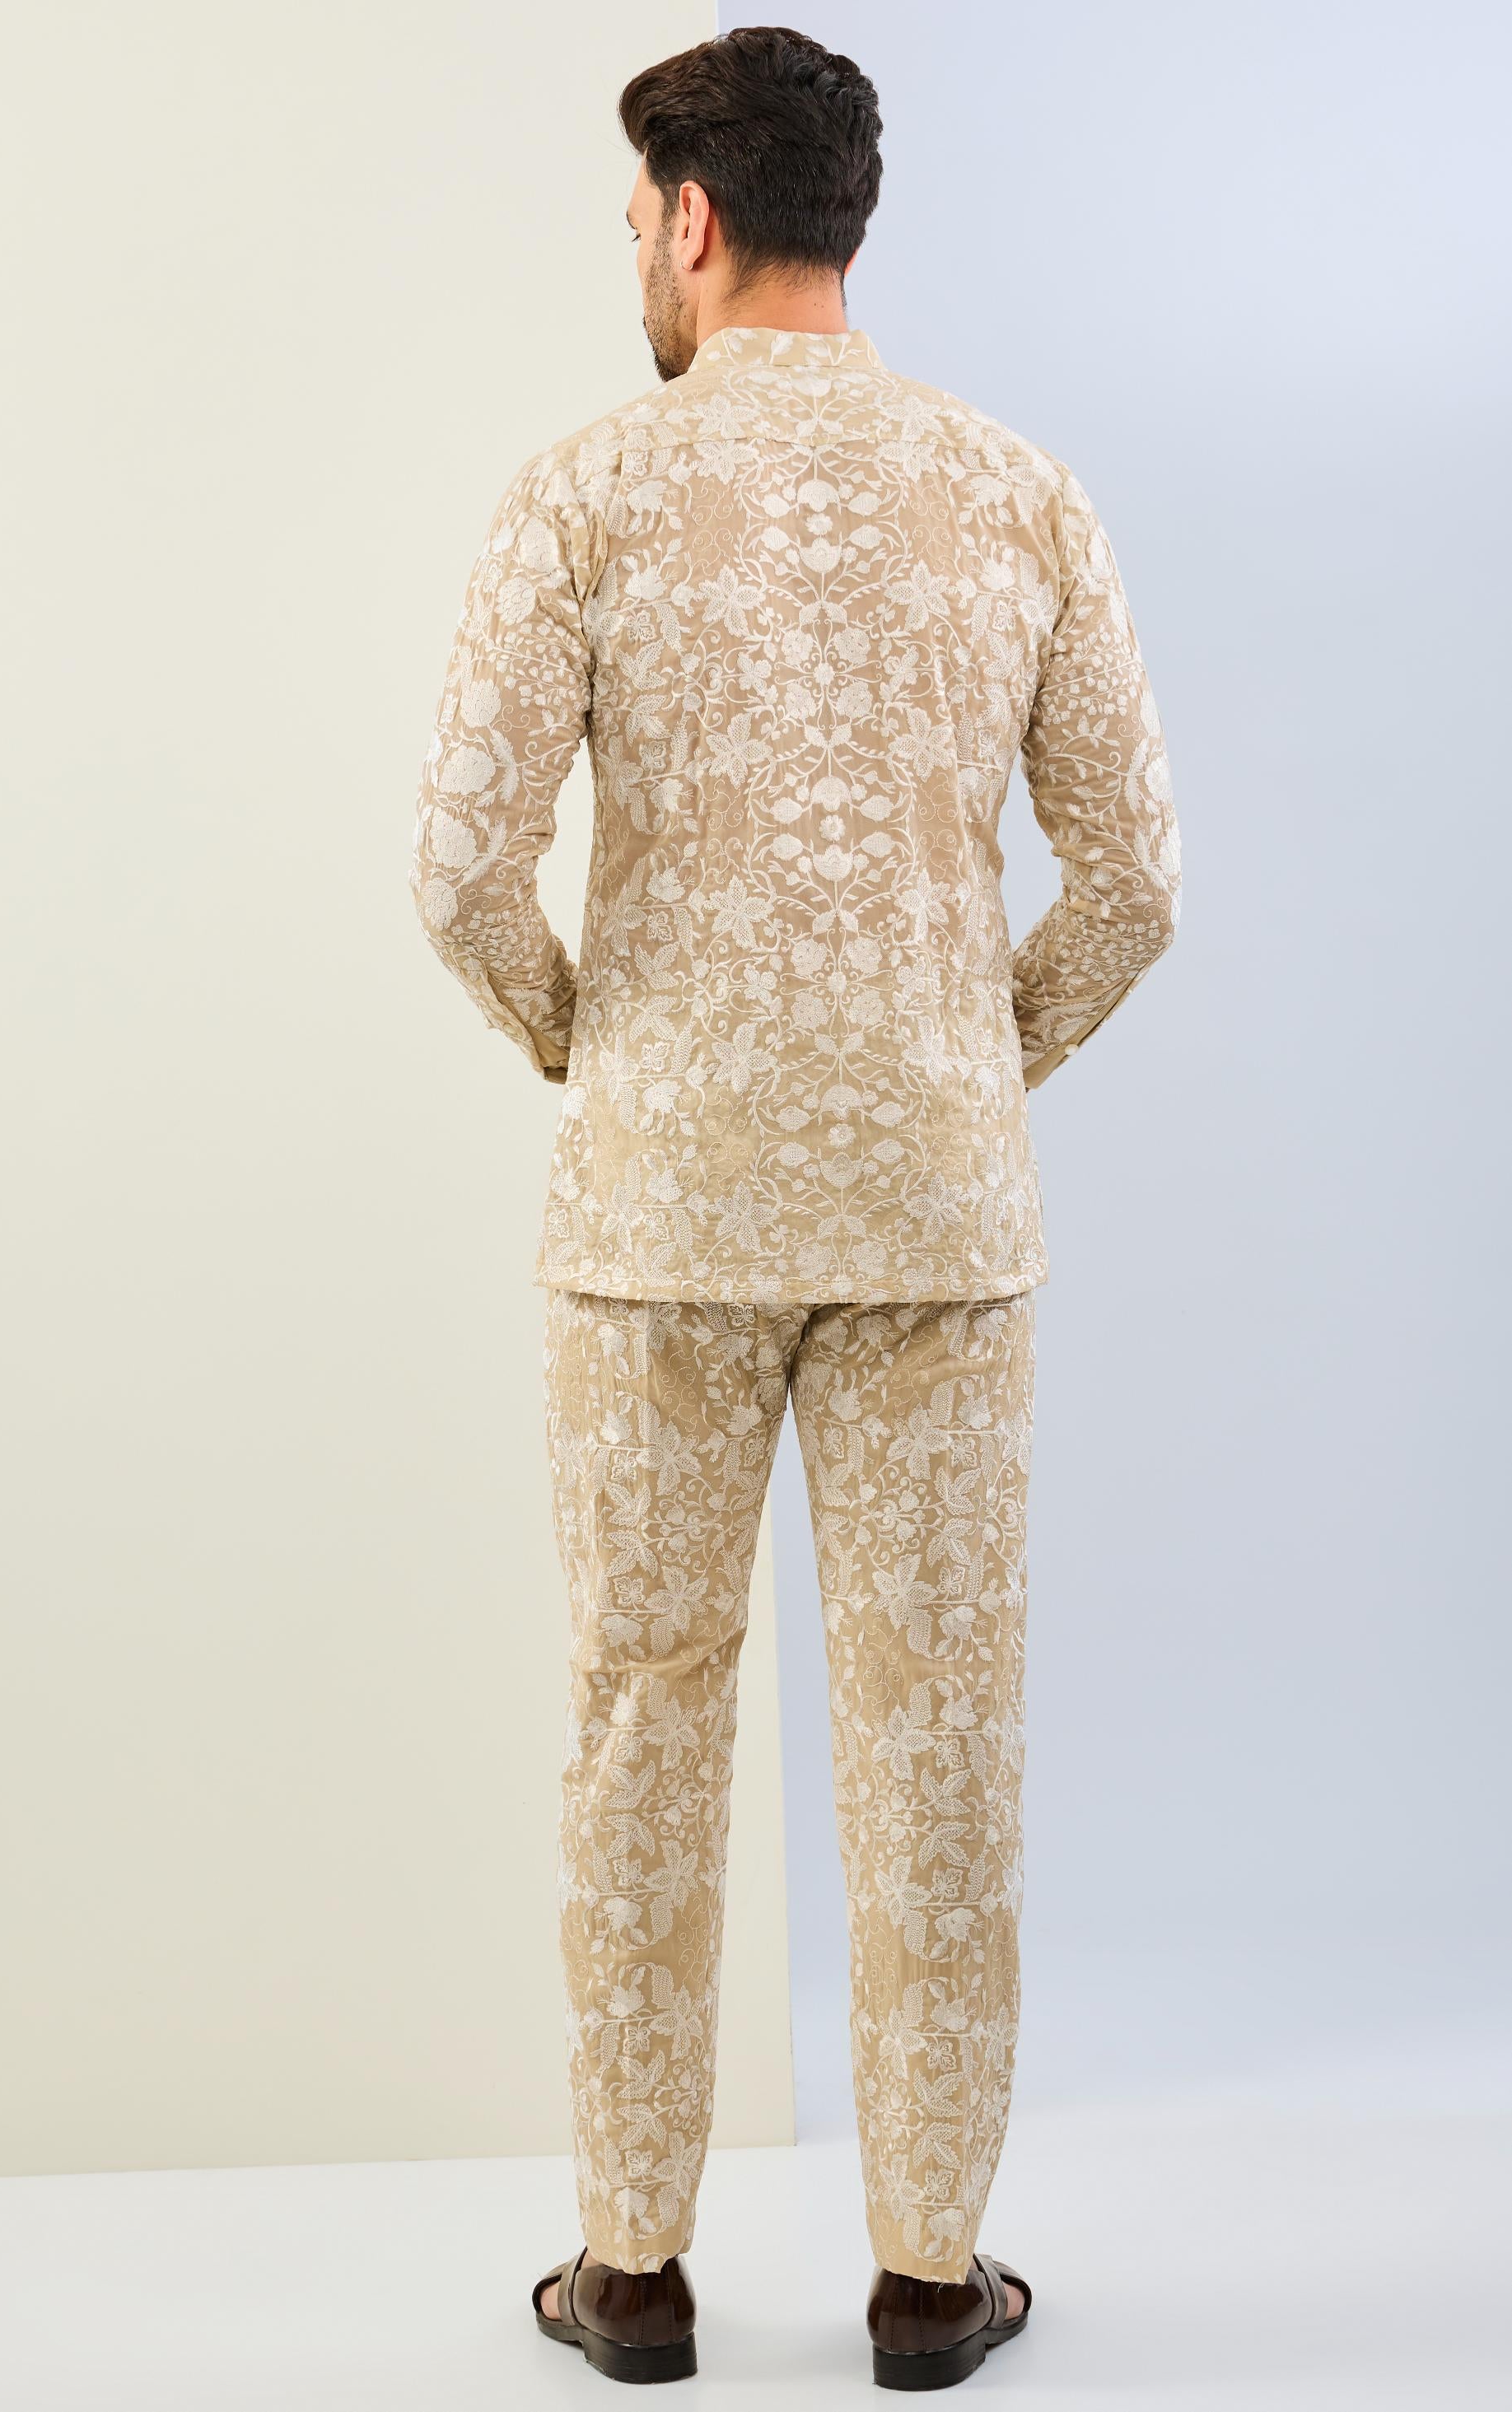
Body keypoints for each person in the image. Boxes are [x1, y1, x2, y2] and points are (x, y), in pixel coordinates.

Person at [411, 24, 1179, 2391]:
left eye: (635, 221)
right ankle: (931, 2279)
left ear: (691, 217)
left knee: (643, 1721)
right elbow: (1134, 883)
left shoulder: (584, 490)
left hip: (658, 1213)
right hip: (937, 1216)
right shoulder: (1016, 490)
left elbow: (457, 866)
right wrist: (964, 1054)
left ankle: (631, 2271)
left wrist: (589, 1036)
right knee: (939, 1733)